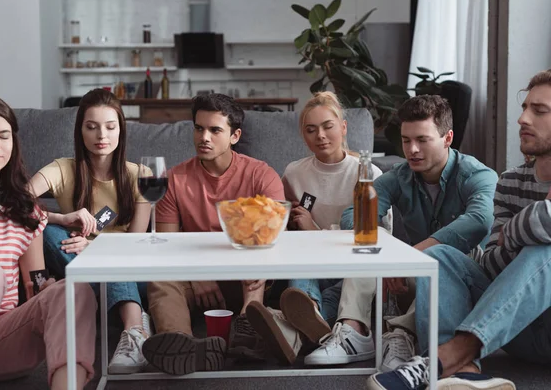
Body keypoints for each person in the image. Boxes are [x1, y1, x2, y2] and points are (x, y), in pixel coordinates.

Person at [367, 70, 551, 390]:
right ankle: (464, 372)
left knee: (545, 252)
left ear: (446, 139)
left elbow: (486, 226)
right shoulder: (510, 181)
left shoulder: (478, 175)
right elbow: (494, 260)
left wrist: (519, 231)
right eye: (524, 107)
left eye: (539, 110)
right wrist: (537, 221)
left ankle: (439, 361)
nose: (522, 118)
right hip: (514, 328)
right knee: (440, 255)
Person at [339, 95, 497, 371]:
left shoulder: (478, 175)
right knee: (366, 244)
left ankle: (401, 332)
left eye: (422, 140)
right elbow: (352, 218)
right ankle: (353, 332)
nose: (412, 149)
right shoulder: (398, 176)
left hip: (466, 283)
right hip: (409, 281)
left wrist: (410, 257)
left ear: (447, 138)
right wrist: (390, 255)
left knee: (439, 258)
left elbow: (479, 221)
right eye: (405, 140)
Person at [0, 94, 96, 389]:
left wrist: (47, 287)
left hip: (2, 344)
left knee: (73, 289)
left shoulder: (25, 211)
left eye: (4, 136)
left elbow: (35, 282)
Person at [141, 93, 285, 375]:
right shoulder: (174, 178)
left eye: (215, 130)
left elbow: (274, 237)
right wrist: (198, 274)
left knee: (256, 262)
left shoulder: (261, 175)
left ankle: (247, 329)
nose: (204, 137)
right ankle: (183, 346)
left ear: (234, 136)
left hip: (246, 277)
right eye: (198, 128)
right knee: (161, 279)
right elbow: (169, 243)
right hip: (196, 279)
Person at [245, 91, 388, 366]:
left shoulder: (367, 174)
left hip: (352, 268)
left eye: (327, 126)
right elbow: (281, 228)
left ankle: (292, 327)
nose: (320, 135)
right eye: (311, 130)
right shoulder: (294, 173)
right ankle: (309, 317)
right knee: (302, 267)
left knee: (342, 282)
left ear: (343, 128)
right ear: (303, 136)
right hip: (312, 267)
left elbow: (378, 237)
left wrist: (316, 231)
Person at [29, 89, 152, 374]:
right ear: (80, 130)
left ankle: (132, 328)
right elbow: (14, 203)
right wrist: (63, 216)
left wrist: (95, 250)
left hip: (131, 269)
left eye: (110, 127)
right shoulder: (62, 169)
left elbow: (135, 245)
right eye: (91, 127)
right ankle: (136, 325)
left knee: (114, 264)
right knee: (49, 232)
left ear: (121, 129)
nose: (101, 136)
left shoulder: (140, 175)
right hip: (77, 260)